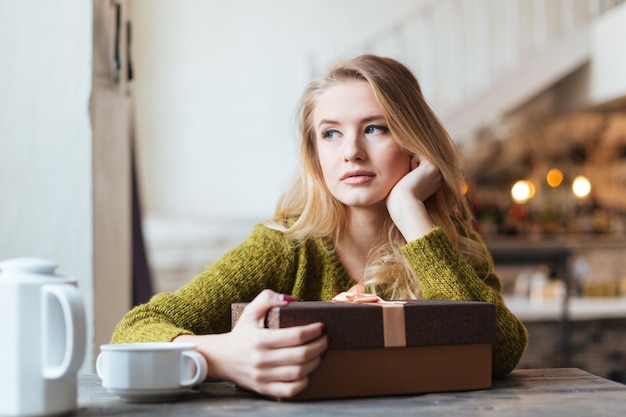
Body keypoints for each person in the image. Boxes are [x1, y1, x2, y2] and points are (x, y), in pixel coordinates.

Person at [112, 54, 528, 398]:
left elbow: (502, 353)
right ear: (315, 156)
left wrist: (409, 211)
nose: (351, 152)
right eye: (331, 134)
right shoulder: (285, 247)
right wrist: (222, 356)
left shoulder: (451, 243)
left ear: (414, 142)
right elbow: (133, 331)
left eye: (374, 128)